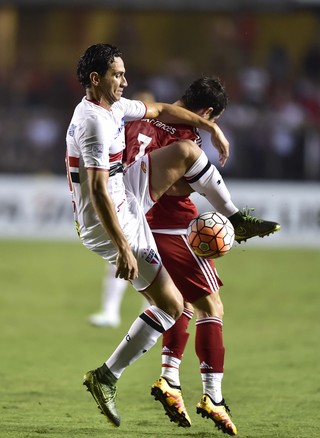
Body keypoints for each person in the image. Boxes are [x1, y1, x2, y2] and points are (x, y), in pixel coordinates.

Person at [65, 43, 279, 431]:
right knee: (170, 305)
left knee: (184, 150)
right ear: (96, 79)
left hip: (127, 191)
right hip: (109, 218)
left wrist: (210, 127)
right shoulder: (93, 123)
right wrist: (122, 248)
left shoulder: (112, 107)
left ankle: (236, 219)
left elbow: (161, 109)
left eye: (124, 73)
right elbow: (97, 192)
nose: (125, 81)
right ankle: (106, 377)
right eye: (117, 75)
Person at [123, 76, 281, 435]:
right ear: (208, 112)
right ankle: (213, 396)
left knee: (179, 304)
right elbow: (173, 182)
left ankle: (170, 380)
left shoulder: (143, 117)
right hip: (173, 228)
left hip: (139, 227)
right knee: (213, 308)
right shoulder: (186, 139)